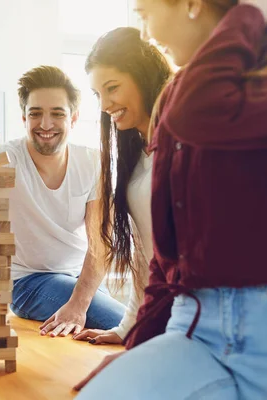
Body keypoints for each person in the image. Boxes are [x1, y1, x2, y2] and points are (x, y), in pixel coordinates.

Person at [75, 0, 267, 399]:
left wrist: (250, 10)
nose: (145, 33)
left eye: (145, 13)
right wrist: (137, 348)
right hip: (195, 322)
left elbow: (200, 112)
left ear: (192, 4)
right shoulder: (182, 98)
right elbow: (166, 260)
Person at [0, 65, 126, 337]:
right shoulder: (9, 160)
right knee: (130, 324)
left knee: (115, 332)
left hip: (83, 280)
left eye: (57, 114)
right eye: (35, 114)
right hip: (29, 283)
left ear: (73, 118)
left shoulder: (91, 162)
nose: (45, 124)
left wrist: (79, 303)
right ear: (23, 118)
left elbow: (101, 242)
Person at [70, 27, 172, 345]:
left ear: (143, 77)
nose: (104, 105)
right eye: (98, 94)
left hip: (195, 315)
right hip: (164, 309)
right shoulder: (134, 154)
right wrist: (127, 326)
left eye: (112, 88)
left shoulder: (183, 144)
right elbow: (144, 256)